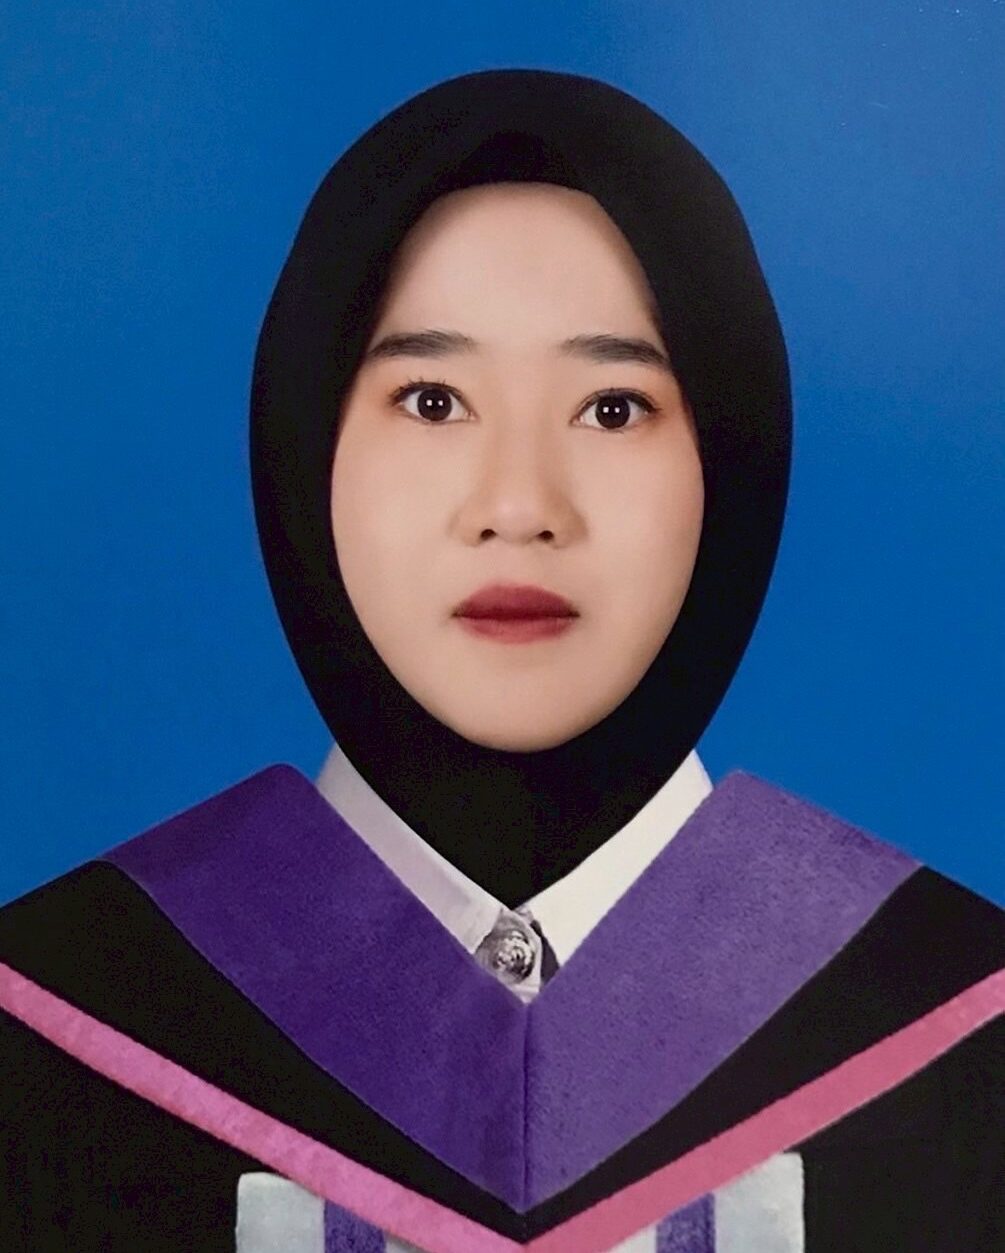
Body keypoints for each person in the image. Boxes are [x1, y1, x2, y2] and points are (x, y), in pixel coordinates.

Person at [0, 68, 1001, 1253]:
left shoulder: (957, 1025)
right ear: (305, 443)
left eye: (614, 407)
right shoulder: (57, 1021)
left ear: (732, 460)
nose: (519, 506)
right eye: (431, 399)